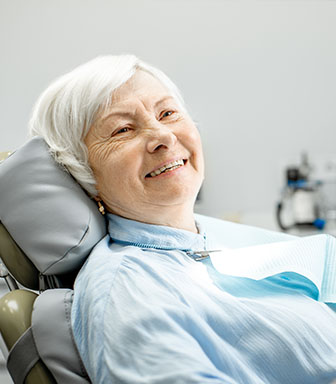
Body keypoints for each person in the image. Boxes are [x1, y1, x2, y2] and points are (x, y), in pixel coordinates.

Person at [29, 55, 336, 383]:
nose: (162, 135)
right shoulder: (126, 290)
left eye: (168, 113)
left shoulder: (205, 240)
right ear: (80, 173)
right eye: (122, 129)